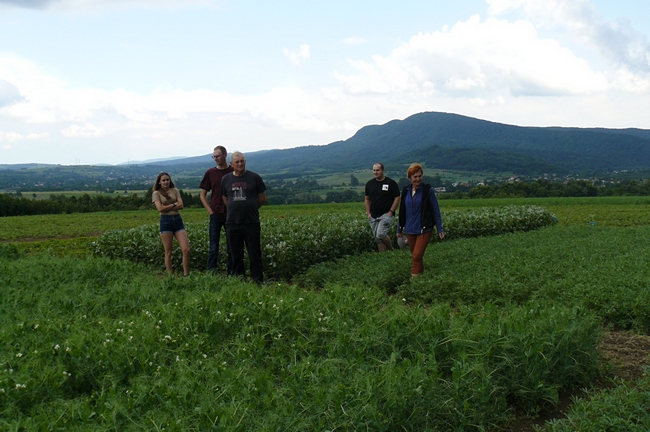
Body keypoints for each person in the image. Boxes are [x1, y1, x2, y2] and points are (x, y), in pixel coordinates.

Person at [221, 151, 267, 284]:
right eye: (237, 162)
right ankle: (239, 281)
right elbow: (225, 198)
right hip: (232, 223)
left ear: (245, 162)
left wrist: (250, 208)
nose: (240, 164)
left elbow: (262, 198)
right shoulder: (226, 179)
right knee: (235, 255)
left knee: (254, 254)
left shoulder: (255, 178)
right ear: (231, 164)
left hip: (251, 222)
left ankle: (257, 281)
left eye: (242, 161)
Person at [397, 163, 445, 277]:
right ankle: (422, 280)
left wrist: (440, 228)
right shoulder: (406, 191)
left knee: (416, 256)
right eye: (415, 177)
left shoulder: (428, 191)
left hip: (424, 228)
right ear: (410, 178)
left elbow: (435, 210)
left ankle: (414, 284)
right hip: (410, 229)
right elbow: (402, 210)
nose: (418, 179)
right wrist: (399, 228)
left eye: (420, 176)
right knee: (417, 257)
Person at [200, 145, 234, 273]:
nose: (215, 159)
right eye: (214, 156)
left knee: (231, 245)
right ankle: (211, 272)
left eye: (217, 156)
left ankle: (232, 272)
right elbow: (202, 194)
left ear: (225, 155)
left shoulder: (232, 171)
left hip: (230, 213)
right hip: (215, 213)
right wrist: (210, 211)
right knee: (213, 246)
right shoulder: (210, 173)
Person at [152, 172, 190, 276]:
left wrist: (166, 206)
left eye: (167, 180)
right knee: (168, 251)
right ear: (159, 182)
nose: (166, 182)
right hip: (166, 221)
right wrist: (174, 204)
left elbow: (181, 205)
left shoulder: (175, 190)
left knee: (186, 249)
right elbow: (160, 209)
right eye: (163, 180)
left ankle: (186, 274)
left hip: (177, 220)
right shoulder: (156, 193)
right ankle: (170, 275)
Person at [364, 162, 400, 252]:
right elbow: (367, 199)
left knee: (380, 234)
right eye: (374, 170)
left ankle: (390, 250)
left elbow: (397, 197)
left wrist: (391, 212)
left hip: (386, 214)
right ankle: (383, 256)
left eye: (378, 170)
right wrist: (369, 213)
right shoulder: (369, 184)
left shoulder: (391, 183)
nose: (375, 172)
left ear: (383, 170)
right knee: (377, 238)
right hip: (373, 215)